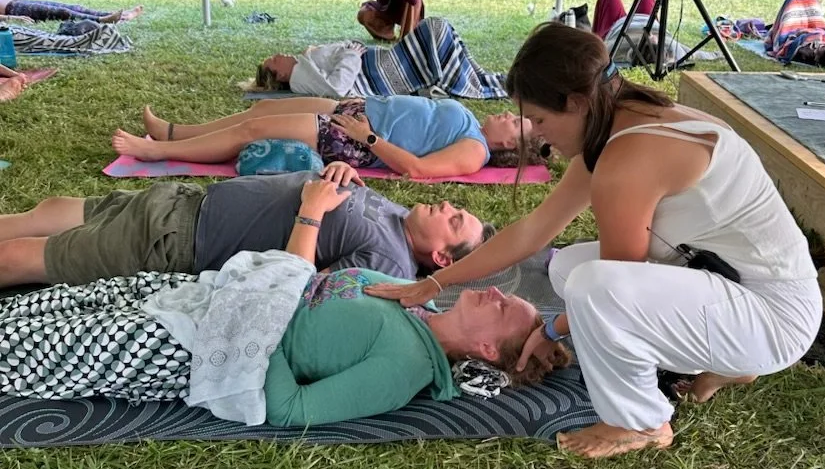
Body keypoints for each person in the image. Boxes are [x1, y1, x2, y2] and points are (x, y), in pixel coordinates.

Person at [368, 23, 822, 458]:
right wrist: (436, 282)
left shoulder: (628, 159)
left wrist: (552, 329)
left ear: (578, 102)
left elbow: (617, 287)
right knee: (568, 268)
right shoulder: (623, 119)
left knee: (592, 287)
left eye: (540, 118)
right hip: (737, 288)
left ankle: (641, 422)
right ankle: (730, 363)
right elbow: (533, 230)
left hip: (775, 317)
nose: (536, 133)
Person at [0, 179, 568, 423]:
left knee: (17, 345)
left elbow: (291, 409)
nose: (496, 291)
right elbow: (308, 279)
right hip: (205, 294)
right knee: (36, 307)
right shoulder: (412, 302)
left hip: (191, 345)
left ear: (487, 348)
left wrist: (259, 327)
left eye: (503, 308)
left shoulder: (404, 368)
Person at [0, 164, 492, 288]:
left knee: (17, 257)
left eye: (454, 221)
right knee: (50, 209)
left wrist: (312, 210)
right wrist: (338, 171)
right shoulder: (396, 215)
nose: (447, 204)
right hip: (183, 201)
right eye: (456, 207)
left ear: (441, 257)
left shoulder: (390, 265)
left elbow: (299, 291)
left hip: (175, 241)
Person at [111, 93, 543, 179]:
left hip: (353, 136)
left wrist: (367, 137)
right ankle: (174, 132)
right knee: (262, 110)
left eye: (515, 122)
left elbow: (417, 169)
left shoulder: (474, 151)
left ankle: (157, 151)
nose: (508, 113)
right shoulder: (469, 119)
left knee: (252, 131)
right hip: (355, 110)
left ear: (509, 145)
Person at [255, 16, 509, 102]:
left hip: (383, 64)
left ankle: (477, 79)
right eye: (274, 61)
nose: (279, 55)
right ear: (280, 75)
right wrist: (351, 54)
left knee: (437, 30)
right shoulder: (299, 77)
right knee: (435, 29)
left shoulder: (302, 66)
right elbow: (336, 88)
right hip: (381, 74)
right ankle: (475, 82)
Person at [0, 0, 143, 24]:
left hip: (16, 1)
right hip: (13, 9)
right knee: (62, 13)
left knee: (72, 7)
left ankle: (123, 16)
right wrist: (10, 18)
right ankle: (101, 20)